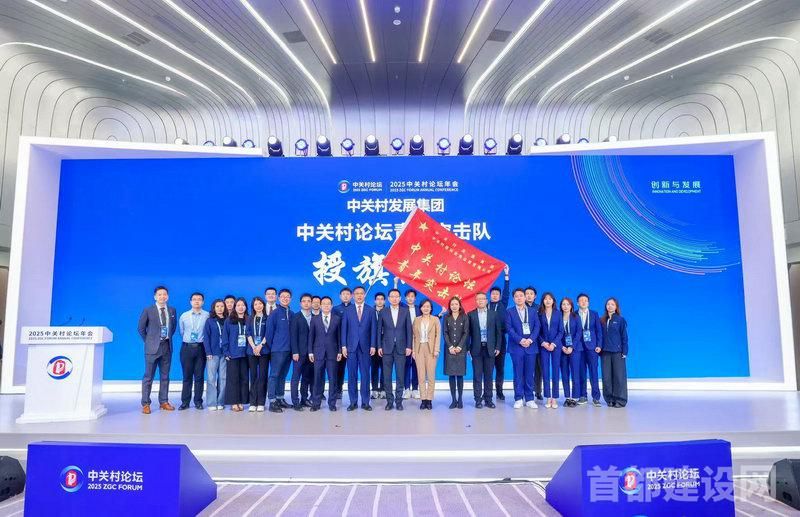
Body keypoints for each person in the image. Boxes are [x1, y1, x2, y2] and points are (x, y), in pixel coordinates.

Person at [137, 286, 178, 414]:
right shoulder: (148, 310)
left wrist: (165, 338)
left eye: (164, 294)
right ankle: (145, 403)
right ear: (155, 296)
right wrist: (150, 341)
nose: (162, 297)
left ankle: (164, 402)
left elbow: (173, 328)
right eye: (159, 294)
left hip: (167, 346)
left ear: (168, 296)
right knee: (148, 377)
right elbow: (141, 329)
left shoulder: (172, 310)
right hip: (152, 348)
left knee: (165, 376)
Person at [341, 286, 377, 411]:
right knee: (352, 376)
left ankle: (365, 402)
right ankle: (353, 402)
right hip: (351, 348)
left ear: (364, 295)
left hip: (366, 348)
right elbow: (344, 329)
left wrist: (373, 345)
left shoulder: (370, 310)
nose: (359, 295)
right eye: (357, 293)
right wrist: (343, 346)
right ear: (353, 296)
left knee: (365, 375)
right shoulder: (348, 310)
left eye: (361, 293)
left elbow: (374, 329)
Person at [505, 288, 541, 409]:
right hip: (516, 347)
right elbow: (509, 329)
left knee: (530, 373)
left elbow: (537, 327)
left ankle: (530, 398)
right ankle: (518, 398)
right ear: (513, 298)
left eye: (521, 295)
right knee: (518, 374)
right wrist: (520, 340)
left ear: (525, 297)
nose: (519, 298)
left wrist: (530, 340)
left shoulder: (533, 311)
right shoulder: (509, 312)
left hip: (531, 346)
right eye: (516, 296)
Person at [378, 288, 413, 411]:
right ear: (388, 299)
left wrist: (409, 346)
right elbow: (378, 331)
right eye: (392, 296)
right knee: (387, 376)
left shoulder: (405, 311)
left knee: (400, 376)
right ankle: (389, 401)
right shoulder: (383, 311)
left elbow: (409, 330)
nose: (394, 298)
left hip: (401, 348)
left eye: (396, 296)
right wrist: (379, 346)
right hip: (386, 348)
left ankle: (399, 401)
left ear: (400, 298)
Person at [468, 292, 502, 408]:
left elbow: (498, 332)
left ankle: (488, 399)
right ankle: (478, 400)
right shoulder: (471, 315)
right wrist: (468, 348)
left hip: (490, 349)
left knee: (488, 376)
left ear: (486, 301)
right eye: (478, 299)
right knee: (477, 376)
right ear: (476, 301)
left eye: (483, 299)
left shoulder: (494, 314)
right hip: (476, 349)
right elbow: (468, 333)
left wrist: (498, 347)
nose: (481, 301)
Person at [308, 296, 342, 411]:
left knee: (333, 379)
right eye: (324, 304)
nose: (326, 306)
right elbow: (311, 337)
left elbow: (339, 336)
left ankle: (332, 404)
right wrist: (310, 352)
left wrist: (339, 351)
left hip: (333, 353)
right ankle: (316, 403)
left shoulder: (337, 319)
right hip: (318, 353)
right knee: (318, 378)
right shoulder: (315, 319)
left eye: (328, 304)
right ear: (320, 306)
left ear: (331, 306)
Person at [178, 292, 209, 410]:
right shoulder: (184, 316)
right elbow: (182, 332)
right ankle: (185, 402)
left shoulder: (207, 315)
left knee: (199, 377)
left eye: (199, 299)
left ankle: (198, 402)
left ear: (203, 302)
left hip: (201, 348)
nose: (197, 301)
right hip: (187, 348)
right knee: (187, 377)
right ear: (190, 302)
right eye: (194, 299)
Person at [266, 289, 293, 413]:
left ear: (290, 299)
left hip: (289, 350)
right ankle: (272, 401)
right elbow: (269, 333)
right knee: (274, 375)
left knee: (283, 375)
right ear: (278, 298)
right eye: (283, 296)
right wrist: (273, 347)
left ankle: (280, 398)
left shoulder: (292, 314)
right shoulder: (275, 313)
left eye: (288, 297)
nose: (285, 298)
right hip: (277, 350)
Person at [576, 293, 604, 407]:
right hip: (578, 348)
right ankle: (582, 396)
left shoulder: (594, 314)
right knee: (581, 372)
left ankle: (596, 397)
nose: (583, 302)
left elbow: (599, 331)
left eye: (585, 300)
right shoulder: (574, 314)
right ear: (577, 303)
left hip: (592, 347)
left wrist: (599, 345)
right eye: (581, 300)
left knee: (593, 372)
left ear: (588, 303)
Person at [412, 299, 440, 410]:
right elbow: (413, 336)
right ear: (421, 308)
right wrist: (413, 351)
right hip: (419, 349)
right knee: (421, 376)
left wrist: (436, 349)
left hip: (431, 350)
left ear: (431, 308)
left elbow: (438, 335)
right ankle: (423, 399)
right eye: (424, 306)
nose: (426, 308)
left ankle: (429, 400)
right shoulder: (416, 319)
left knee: (431, 376)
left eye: (428, 306)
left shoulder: (435, 319)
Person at [601, 297, 628, 408]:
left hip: (617, 352)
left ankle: (620, 400)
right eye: (608, 304)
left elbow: (624, 337)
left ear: (616, 307)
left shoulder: (620, 320)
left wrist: (624, 351)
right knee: (606, 377)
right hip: (605, 352)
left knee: (618, 376)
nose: (610, 306)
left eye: (612, 304)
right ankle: (610, 399)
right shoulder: (602, 320)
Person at [223, 297, 249, 412]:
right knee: (233, 379)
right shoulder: (229, 320)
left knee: (244, 378)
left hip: (246, 354)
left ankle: (241, 401)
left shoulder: (249, 320)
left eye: (243, 305)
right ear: (235, 307)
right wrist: (226, 352)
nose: (241, 307)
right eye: (238, 305)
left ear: (246, 307)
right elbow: (225, 337)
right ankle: (234, 402)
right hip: (232, 354)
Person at [538, 293, 563, 409]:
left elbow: (561, 331)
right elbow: (536, 330)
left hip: (555, 346)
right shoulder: (539, 313)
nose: (547, 301)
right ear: (543, 301)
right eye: (545, 299)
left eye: (550, 299)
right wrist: (543, 342)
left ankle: (555, 398)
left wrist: (553, 343)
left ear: (553, 301)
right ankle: (548, 397)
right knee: (545, 371)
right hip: (543, 346)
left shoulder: (558, 313)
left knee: (555, 371)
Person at [443, 296, 469, 409]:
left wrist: (459, 346)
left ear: (459, 305)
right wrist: (450, 346)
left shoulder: (464, 317)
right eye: (452, 304)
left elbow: (466, 333)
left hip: (461, 350)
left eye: (456, 304)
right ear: (449, 306)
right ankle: (453, 400)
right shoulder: (446, 317)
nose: (454, 306)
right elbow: (445, 333)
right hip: (449, 350)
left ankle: (460, 399)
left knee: (460, 375)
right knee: (451, 375)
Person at [290, 293, 314, 411]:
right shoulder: (296, 317)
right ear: (300, 303)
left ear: (311, 303)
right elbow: (293, 336)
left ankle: (304, 399)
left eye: (308, 301)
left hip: (311, 354)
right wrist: (295, 351)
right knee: (296, 378)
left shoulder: (315, 317)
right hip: (298, 353)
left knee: (306, 378)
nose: (306, 303)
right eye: (304, 301)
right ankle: (295, 402)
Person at [489, 265, 510, 400]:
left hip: (501, 339)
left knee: (500, 367)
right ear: (490, 295)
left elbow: (507, 291)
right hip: (488, 340)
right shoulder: (485, 306)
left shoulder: (503, 304)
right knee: (488, 367)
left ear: (500, 296)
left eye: (497, 294)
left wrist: (506, 275)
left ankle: (499, 391)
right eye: (493, 294)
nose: (495, 295)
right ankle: (487, 392)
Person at [245, 297, 269, 412]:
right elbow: (248, 333)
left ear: (263, 305)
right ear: (253, 306)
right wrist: (254, 346)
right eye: (256, 304)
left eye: (260, 303)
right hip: (252, 351)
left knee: (263, 376)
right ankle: (253, 402)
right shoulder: (250, 318)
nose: (258, 306)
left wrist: (260, 346)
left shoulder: (267, 318)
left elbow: (268, 333)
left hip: (264, 351)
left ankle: (261, 402)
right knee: (253, 376)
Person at [203, 299, 227, 411]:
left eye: (222, 306)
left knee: (223, 378)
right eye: (217, 306)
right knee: (211, 378)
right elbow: (206, 337)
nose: (220, 308)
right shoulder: (210, 321)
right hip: (212, 354)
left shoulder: (228, 320)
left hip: (225, 354)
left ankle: (221, 401)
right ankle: (212, 402)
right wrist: (208, 352)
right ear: (214, 308)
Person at [559, 297, 583, 408]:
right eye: (563, 304)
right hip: (562, 349)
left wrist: (572, 347)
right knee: (564, 374)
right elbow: (556, 333)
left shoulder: (576, 317)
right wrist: (562, 346)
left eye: (568, 304)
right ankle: (567, 397)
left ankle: (575, 397)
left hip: (575, 349)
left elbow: (579, 333)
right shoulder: (558, 317)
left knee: (575, 373)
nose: (565, 306)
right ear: (561, 306)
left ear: (571, 306)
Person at [332, 287, 352, 400]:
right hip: (339, 344)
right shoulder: (335, 309)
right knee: (339, 368)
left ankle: (352, 391)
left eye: (348, 294)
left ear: (351, 296)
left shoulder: (355, 308)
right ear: (340, 296)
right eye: (343, 294)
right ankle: (337, 390)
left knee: (353, 369)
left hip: (353, 343)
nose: (345, 296)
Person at [524, 286, 544, 401]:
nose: (529, 295)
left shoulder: (539, 308)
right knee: (525, 368)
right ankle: (526, 391)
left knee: (538, 368)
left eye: (531, 293)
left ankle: (538, 390)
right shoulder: (521, 307)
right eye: (527, 293)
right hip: (524, 342)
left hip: (538, 342)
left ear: (535, 296)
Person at [371, 292, 386, 400]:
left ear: (384, 301)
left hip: (386, 344)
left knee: (385, 368)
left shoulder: (388, 311)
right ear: (375, 301)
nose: (380, 301)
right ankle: (375, 390)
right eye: (378, 299)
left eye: (382, 299)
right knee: (374, 368)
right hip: (372, 345)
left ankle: (383, 390)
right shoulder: (370, 312)